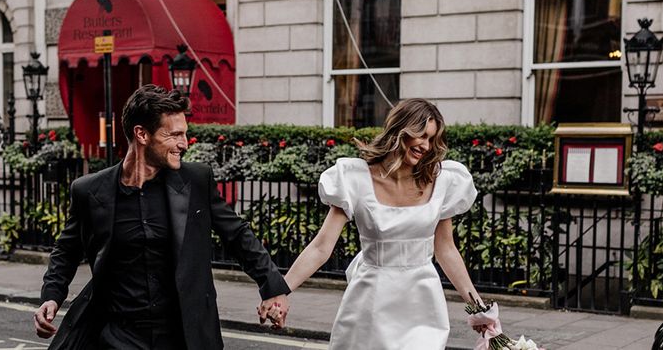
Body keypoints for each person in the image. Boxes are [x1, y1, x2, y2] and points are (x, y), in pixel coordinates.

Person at [33, 84, 289, 349]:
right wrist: (51, 297)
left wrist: (272, 287)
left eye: (185, 134)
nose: (184, 144)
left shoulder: (196, 181)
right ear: (142, 134)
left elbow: (237, 234)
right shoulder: (90, 191)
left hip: (183, 335)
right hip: (117, 336)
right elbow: (67, 250)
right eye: (174, 135)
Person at [283, 98, 484, 350]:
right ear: (400, 130)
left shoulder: (442, 181)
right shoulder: (355, 178)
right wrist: (280, 290)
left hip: (421, 302)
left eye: (431, 139)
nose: (425, 145)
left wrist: (478, 307)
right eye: (421, 135)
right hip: (370, 302)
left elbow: (446, 250)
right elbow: (321, 247)